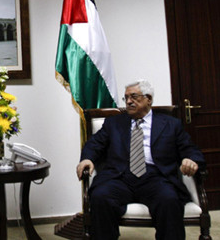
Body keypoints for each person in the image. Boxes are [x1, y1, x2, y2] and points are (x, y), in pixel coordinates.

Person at [76, 79, 205, 240]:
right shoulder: (114, 123)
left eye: (134, 96)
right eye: (126, 98)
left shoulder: (171, 124)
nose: (129, 101)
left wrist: (191, 159)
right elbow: (95, 144)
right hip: (120, 176)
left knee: (169, 200)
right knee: (101, 197)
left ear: (148, 99)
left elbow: (190, 148)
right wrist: (87, 158)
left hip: (156, 177)